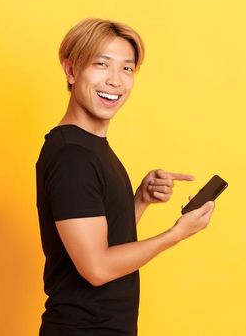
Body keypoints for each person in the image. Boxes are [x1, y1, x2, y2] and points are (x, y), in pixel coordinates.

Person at [35, 18, 218, 336]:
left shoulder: (92, 148)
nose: (115, 81)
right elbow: (97, 268)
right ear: (71, 71)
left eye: (126, 69)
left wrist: (140, 200)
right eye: (101, 64)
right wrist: (176, 233)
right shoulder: (72, 156)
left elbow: (102, 243)